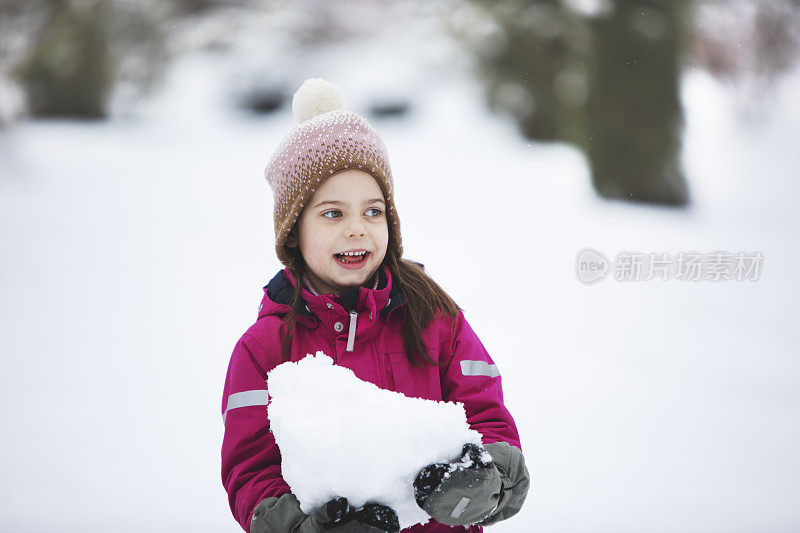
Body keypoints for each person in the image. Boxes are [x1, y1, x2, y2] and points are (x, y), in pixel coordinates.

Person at [221, 78, 530, 533]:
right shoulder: (263, 348)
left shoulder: (435, 319)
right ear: (293, 231)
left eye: (373, 211)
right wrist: (305, 527)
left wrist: (486, 478)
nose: (357, 229)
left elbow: (487, 417)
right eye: (332, 213)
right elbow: (250, 470)